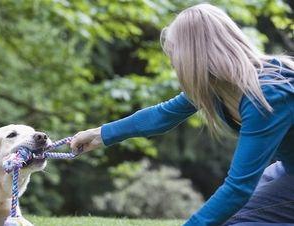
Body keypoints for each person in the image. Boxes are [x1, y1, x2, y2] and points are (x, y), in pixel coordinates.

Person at [70, 3, 294, 226]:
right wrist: (100, 134)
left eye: (175, 55)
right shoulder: (217, 86)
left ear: (194, 57)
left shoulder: (266, 95)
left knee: (236, 220)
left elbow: (237, 189)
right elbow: (162, 115)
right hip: (287, 169)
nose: (174, 64)